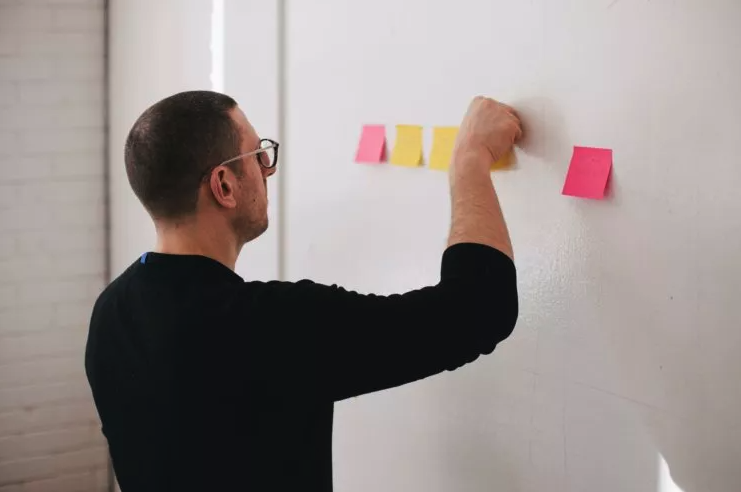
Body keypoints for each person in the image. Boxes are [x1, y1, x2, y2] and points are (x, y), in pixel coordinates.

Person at [85, 91, 522, 492]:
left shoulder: (111, 312)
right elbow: (478, 309)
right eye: (259, 156)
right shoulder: (269, 325)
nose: (267, 170)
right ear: (224, 185)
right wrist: (470, 158)